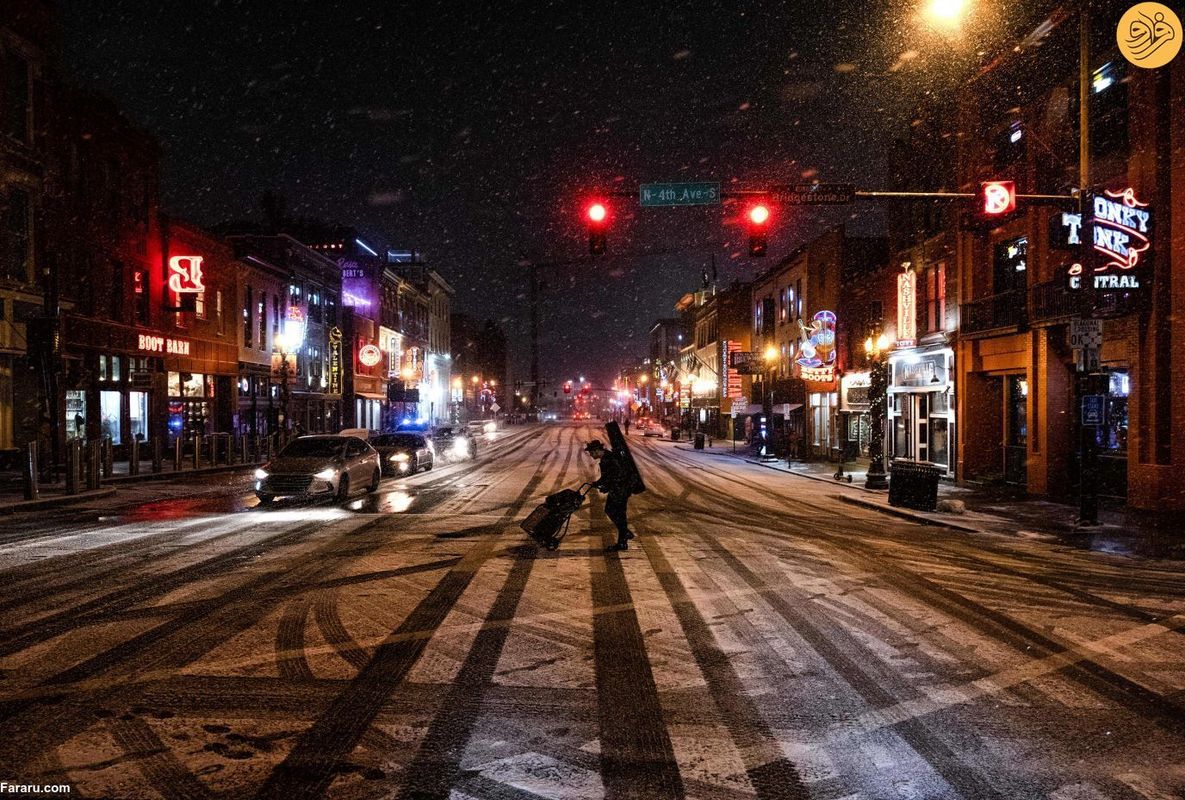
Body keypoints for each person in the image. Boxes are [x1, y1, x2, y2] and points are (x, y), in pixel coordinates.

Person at [585, 439, 635, 552]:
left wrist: (607, 486)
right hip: (620, 489)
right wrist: (599, 483)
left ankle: (624, 534)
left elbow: (617, 475)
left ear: (598, 450)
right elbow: (608, 476)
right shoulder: (607, 458)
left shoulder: (609, 459)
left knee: (613, 511)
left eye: (592, 452)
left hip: (620, 490)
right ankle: (623, 538)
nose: (591, 455)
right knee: (618, 513)